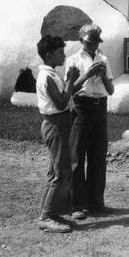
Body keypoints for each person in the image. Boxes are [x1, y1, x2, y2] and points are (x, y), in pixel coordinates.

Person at [65, 23, 114, 219]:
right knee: (77, 156)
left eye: (95, 43)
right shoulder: (73, 60)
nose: (93, 47)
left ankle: (96, 202)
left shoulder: (103, 59)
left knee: (98, 155)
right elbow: (71, 90)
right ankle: (78, 204)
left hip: (99, 106)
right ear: (81, 41)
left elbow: (110, 90)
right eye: (89, 43)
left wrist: (102, 76)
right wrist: (87, 75)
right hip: (81, 106)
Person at [36, 34, 80, 233]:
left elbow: (65, 98)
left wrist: (70, 81)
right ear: (49, 55)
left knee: (55, 171)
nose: (63, 56)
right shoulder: (47, 76)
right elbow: (61, 102)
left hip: (60, 124)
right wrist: (71, 80)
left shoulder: (52, 74)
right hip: (55, 125)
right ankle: (46, 216)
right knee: (61, 173)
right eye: (60, 53)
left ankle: (51, 212)